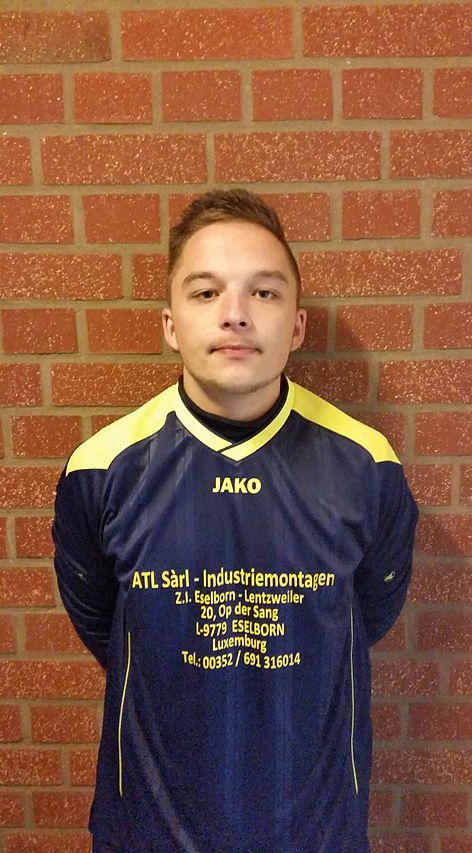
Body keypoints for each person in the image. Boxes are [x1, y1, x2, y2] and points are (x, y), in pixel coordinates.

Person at [53, 189, 418, 853]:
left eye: (264, 292)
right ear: (171, 324)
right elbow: (106, 624)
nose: (235, 314)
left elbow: (368, 614)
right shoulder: (101, 470)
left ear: (297, 326)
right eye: (206, 292)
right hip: (149, 830)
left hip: (315, 831)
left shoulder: (367, 466)